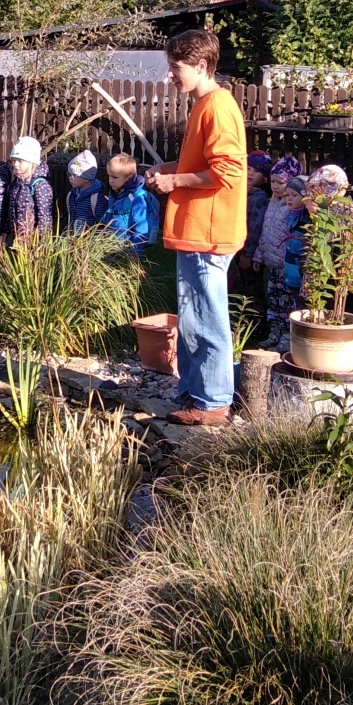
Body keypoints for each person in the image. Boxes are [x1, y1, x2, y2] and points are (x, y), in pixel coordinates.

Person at [145, 28, 247, 426]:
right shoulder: (204, 104)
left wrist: (175, 181)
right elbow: (201, 165)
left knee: (206, 319)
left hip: (209, 233)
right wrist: (169, 169)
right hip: (196, 232)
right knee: (192, 319)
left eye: (176, 67)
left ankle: (213, 403)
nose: (170, 75)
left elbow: (227, 171)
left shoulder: (217, 107)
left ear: (201, 65)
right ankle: (195, 393)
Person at [253, 160, 305, 348]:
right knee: (274, 301)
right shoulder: (272, 203)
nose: (275, 186)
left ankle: (287, 338)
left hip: (286, 267)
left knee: (287, 303)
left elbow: (294, 239)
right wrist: (259, 255)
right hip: (272, 265)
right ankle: (274, 333)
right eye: (273, 181)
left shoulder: (292, 208)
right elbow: (265, 232)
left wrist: (288, 263)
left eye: (280, 182)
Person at [0, 135, 54, 239]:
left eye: (20, 161)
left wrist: (42, 239)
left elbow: (44, 215)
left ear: (31, 162)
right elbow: (9, 210)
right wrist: (5, 231)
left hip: (32, 239)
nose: (15, 164)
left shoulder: (40, 185)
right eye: (14, 160)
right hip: (16, 236)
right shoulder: (16, 182)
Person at [232, 151, 274, 293]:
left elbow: (255, 228)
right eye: (248, 168)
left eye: (256, 171)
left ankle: (255, 308)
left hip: (249, 252)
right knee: (238, 282)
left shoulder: (260, 198)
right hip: (237, 246)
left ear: (265, 177)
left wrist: (247, 254)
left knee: (251, 287)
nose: (250, 173)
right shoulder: (242, 191)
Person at [102, 152, 159, 253]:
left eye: (115, 177)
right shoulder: (116, 193)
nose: (110, 181)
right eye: (109, 176)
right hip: (113, 244)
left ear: (129, 177)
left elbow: (141, 229)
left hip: (127, 248)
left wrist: (134, 255)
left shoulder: (137, 199)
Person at [66, 150, 105, 231]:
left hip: (89, 238)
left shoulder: (96, 198)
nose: (70, 178)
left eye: (75, 175)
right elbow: (66, 219)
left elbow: (101, 223)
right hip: (71, 237)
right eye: (69, 174)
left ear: (87, 178)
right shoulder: (71, 195)